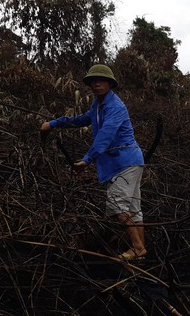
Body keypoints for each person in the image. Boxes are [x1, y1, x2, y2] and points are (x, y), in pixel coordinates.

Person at [40, 64, 146, 261]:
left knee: (117, 205)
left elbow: (105, 136)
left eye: (102, 80)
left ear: (110, 84)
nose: (97, 84)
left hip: (125, 162)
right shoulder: (97, 106)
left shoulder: (116, 107)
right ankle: (140, 252)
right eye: (93, 81)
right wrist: (52, 124)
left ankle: (138, 249)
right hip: (124, 163)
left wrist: (87, 160)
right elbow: (80, 120)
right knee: (133, 209)